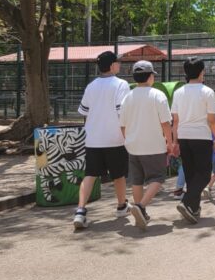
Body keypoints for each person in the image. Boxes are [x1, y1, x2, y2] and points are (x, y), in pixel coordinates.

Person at [72, 51, 131, 230]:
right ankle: (122, 206)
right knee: (118, 174)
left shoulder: (91, 86)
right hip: (115, 138)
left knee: (90, 174)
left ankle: (80, 211)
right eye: (117, 63)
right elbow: (123, 112)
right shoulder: (121, 84)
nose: (119, 65)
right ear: (112, 65)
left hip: (93, 138)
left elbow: (83, 111)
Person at [119, 60, 175, 228]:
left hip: (133, 146)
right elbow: (166, 123)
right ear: (151, 77)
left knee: (137, 180)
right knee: (157, 178)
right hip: (154, 145)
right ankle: (140, 206)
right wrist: (170, 143)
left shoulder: (127, 97)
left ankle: (140, 214)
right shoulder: (158, 95)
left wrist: (128, 139)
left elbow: (122, 125)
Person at [171, 57, 215, 224]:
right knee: (205, 175)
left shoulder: (178, 93)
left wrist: (175, 141)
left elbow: (175, 120)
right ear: (202, 72)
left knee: (191, 174)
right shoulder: (207, 92)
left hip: (184, 137)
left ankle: (194, 208)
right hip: (202, 137)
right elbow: (212, 120)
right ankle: (186, 201)